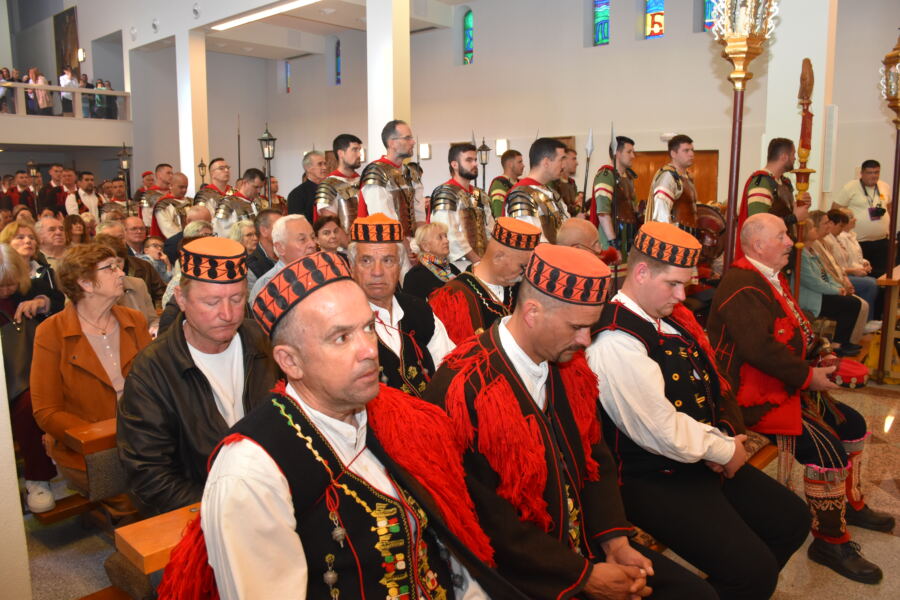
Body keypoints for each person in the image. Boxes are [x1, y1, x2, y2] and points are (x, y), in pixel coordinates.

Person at [159, 250, 524, 600]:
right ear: (290, 362)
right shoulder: (251, 473)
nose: (369, 349)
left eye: (368, 328)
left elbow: (446, 555)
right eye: (341, 338)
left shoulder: (389, 418)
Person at [425, 243, 716, 599]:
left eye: (590, 327)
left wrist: (615, 540)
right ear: (532, 312)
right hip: (525, 576)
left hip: (585, 547)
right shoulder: (463, 389)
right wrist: (584, 577)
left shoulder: (569, 366)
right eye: (577, 327)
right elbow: (486, 520)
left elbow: (596, 457)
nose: (585, 340)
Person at [587, 222, 811, 599]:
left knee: (792, 519)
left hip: (696, 456)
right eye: (673, 284)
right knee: (753, 571)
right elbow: (659, 429)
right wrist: (723, 450)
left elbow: (709, 384)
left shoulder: (665, 317)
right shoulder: (615, 340)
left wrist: (725, 436)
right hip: (650, 477)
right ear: (640, 273)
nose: (682, 295)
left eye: (685, 284)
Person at [708, 213, 894, 584]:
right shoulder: (742, 283)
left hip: (779, 384)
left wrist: (820, 353)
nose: (789, 242)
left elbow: (794, 328)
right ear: (758, 244)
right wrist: (809, 377)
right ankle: (829, 541)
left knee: (853, 424)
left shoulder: (767, 276)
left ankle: (849, 503)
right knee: (827, 449)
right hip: (748, 398)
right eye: (781, 236)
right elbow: (759, 348)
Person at [118, 237, 278, 516]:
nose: (227, 314)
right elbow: (149, 477)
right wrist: (231, 508)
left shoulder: (263, 342)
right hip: (204, 509)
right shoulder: (152, 371)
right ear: (181, 299)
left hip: (274, 494)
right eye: (211, 302)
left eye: (237, 299)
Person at [32, 243, 152, 523]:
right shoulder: (51, 332)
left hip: (143, 436)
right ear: (85, 283)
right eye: (110, 268)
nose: (120, 273)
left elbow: (156, 385)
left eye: (118, 266)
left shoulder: (133, 320)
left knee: (184, 481)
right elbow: (46, 411)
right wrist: (97, 437)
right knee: (136, 501)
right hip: (90, 448)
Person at [347, 213, 455, 397]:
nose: (377, 272)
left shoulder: (419, 310)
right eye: (366, 261)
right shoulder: (341, 323)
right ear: (352, 267)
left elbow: (448, 370)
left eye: (388, 260)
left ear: (399, 266)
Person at [0, 244, 61, 513]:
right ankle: (37, 477)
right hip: (8, 380)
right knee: (27, 404)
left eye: (11, 283)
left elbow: (57, 298)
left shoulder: (28, 288)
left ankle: (59, 465)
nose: (7, 290)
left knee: (38, 397)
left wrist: (42, 302)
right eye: (1, 285)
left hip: (33, 370)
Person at [429, 217, 540, 344]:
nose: (524, 273)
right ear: (498, 257)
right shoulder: (453, 297)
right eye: (522, 266)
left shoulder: (524, 288)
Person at [795, 213, 864, 353]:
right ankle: (838, 344)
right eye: (813, 228)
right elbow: (814, 282)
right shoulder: (801, 255)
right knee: (851, 304)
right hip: (811, 297)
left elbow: (826, 275)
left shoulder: (812, 251)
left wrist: (839, 287)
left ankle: (841, 342)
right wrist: (837, 290)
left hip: (820, 293)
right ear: (806, 233)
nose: (816, 230)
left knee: (851, 302)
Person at [737, 138, 811, 259]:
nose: (795, 159)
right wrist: (794, 217)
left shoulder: (784, 182)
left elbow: (786, 211)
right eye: (793, 155)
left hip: (781, 250)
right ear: (784, 157)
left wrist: (801, 205)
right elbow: (758, 225)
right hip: (766, 253)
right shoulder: (762, 183)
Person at [358, 120, 425, 241]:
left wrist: (422, 242)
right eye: (407, 138)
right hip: (385, 244)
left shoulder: (411, 173)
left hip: (413, 243)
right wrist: (405, 245)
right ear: (392, 143)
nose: (413, 142)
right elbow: (382, 219)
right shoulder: (376, 172)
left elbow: (419, 214)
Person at [430, 142, 494, 268]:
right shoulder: (446, 193)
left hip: (483, 261)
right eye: (469, 160)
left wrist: (491, 257)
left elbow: (490, 229)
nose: (475, 164)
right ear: (454, 164)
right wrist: (476, 260)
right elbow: (449, 232)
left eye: (475, 160)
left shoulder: (478, 194)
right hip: (457, 263)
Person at [831, 159, 892, 278]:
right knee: (864, 275)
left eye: (876, 172)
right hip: (858, 243)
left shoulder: (884, 186)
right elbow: (835, 210)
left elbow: (889, 207)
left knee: (882, 277)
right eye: (869, 173)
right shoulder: (850, 187)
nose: (874, 176)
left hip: (881, 242)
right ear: (862, 173)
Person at [505, 137, 570, 243]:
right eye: (561, 159)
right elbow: (532, 242)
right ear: (546, 162)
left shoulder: (552, 193)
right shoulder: (521, 195)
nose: (563, 165)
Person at [94, 234, 160, 335]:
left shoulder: (138, 284)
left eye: (119, 261)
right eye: (110, 265)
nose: (117, 267)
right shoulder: (92, 292)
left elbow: (153, 319)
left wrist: (154, 328)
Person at [248, 215, 317, 304]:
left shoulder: (325, 269)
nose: (312, 244)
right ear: (280, 248)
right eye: (302, 239)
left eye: (313, 237)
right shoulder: (266, 288)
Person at [591, 135, 640, 257]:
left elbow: (633, 209)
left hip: (628, 239)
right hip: (611, 241)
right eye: (629, 152)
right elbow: (603, 213)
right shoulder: (606, 175)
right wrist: (613, 244)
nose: (633, 156)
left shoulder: (628, 178)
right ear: (617, 153)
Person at [647, 134, 699, 234]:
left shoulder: (686, 177)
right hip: (675, 236)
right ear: (673, 154)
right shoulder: (668, 176)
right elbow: (661, 216)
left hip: (689, 235)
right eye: (686, 150)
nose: (691, 154)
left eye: (692, 150)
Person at [0, 221, 60, 298]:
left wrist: (43, 301)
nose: (28, 241)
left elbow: (58, 300)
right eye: (20, 237)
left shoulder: (47, 272)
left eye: (32, 238)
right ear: (7, 243)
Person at [315, 133, 363, 229]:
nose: (359, 154)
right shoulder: (328, 185)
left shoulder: (362, 181)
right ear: (341, 153)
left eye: (359, 150)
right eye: (354, 150)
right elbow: (331, 226)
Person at [403, 222, 460, 300]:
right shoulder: (415, 276)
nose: (446, 241)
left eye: (445, 236)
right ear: (425, 246)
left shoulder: (453, 269)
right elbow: (413, 306)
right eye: (440, 237)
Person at [213, 168, 263, 239]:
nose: (259, 191)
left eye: (261, 187)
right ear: (245, 183)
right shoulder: (228, 203)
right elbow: (220, 232)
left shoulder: (257, 202)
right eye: (256, 187)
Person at [287, 151, 328, 221]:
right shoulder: (297, 194)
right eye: (320, 164)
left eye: (325, 164)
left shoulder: (329, 189)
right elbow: (297, 223)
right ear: (308, 168)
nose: (324, 167)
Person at [151, 172, 191, 240]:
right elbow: (167, 227)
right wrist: (184, 238)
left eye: (186, 187)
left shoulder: (190, 202)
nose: (184, 190)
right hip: (174, 241)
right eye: (181, 187)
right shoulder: (163, 205)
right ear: (171, 186)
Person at [489, 148, 525, 217]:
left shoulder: (521, 183)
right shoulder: (499, 184)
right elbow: (499, 216)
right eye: (519, 162)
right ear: (510, 164)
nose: (523, 165)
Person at [552, 147, 580, 216]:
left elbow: (575, 207)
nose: (577, 163)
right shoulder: (554, 183)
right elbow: (557, 210)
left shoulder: (572, 183)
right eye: (574, 159)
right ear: (564, 160)